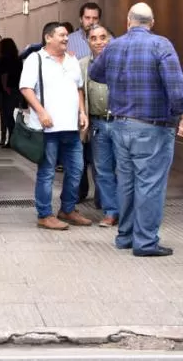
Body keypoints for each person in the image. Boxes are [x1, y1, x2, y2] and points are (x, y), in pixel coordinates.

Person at [89, 3, 183, 257]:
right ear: (151, 23)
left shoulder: (113, 45)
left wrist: (118, 80)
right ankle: (145, 241)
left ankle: (125, 236)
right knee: (150, 183)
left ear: (128, 21)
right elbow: (175, 85)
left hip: (120, 124)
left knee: (127, 181)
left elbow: (94, 73)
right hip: (152, 125)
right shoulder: (161, 45)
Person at [20, 22, 90, 230]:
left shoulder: (72, 60)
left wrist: (82, 111)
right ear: (48, 37)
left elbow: (78, 88)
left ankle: (67, 210)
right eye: (61, 35)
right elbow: (25, 88)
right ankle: (44, 214)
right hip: (47, 128)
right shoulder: (36, 59)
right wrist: (41, 112)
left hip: (71, 127)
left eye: (67, 35)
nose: (66, 38)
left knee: (76, 169)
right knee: (47, 172)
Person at [80, 24, 117, 227]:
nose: (99, 41)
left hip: (122, 123)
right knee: (102, 170)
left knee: (125, 168)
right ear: (88, 42)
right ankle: (111, 212)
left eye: (103, 37)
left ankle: (126, 210)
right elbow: (80, 93)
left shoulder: (122, 62)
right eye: (94, 38)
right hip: (98, 124)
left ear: (110, 39)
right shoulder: (82, 65)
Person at [0, 38, 22, 148]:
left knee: (7, 115)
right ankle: (12, 138)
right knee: (10, 114)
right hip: (16, 88)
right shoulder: (17, 59)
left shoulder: (4, 59)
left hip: (7, 90)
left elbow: (4, 74)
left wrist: (5, 86)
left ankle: (12, 139)